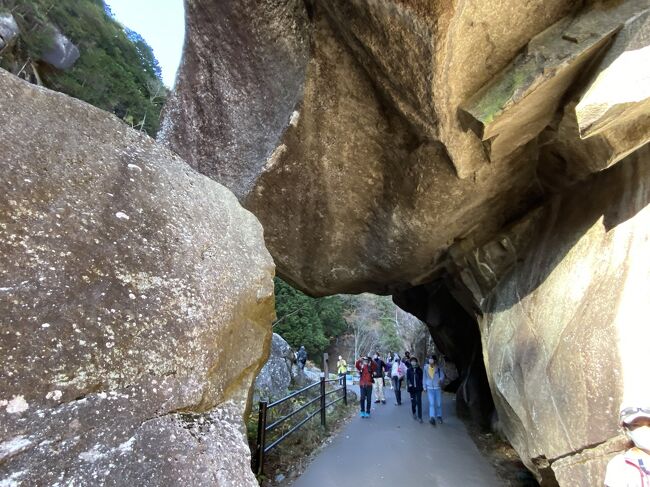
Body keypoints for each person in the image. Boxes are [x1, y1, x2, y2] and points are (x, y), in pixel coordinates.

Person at [605, 404, 650, 486]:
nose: (645, 429)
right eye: (637, 425)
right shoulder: (620, 464)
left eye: (649, 425)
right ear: (626, 429)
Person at [423, 355, 445, 425]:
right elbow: (424, 377)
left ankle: (439, 416)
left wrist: (440, 380)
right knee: (431, 403)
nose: (430, 360)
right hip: (430, 388)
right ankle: (432, 417)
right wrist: (424, 387)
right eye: (429, 359)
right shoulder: (426, 368)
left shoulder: (438, 368)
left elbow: (442, 376)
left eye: (432, 359)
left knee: (438, 403)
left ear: (434, 360)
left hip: (437, 388)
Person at [406, 356, 424, 423]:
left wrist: (422, 386)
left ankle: (420, 417)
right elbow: (407, 379)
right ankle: (414, 412)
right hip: (412, 389)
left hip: (418, 388)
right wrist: (409, 383)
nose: (413, 362)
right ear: (410, 362)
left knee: (419, 402)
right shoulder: (408, 370)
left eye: (414, 361)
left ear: (416, 362)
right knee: (413, 402)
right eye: (412, 361)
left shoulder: (419, 370)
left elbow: (422, 378)